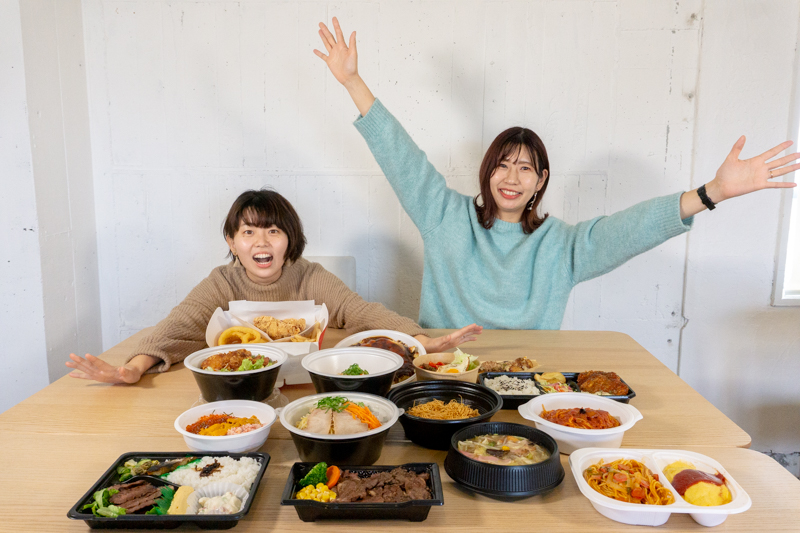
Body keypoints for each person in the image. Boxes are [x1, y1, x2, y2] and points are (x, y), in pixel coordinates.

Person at [314, 17, 800, 329]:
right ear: (487, 173)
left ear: (540, 181)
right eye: (502, 164)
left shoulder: (560, 246)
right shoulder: (445, 218)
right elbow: (401, 157)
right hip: (446, 376)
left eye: (525, 168)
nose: (511, 177)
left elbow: (630, 230)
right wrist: (353, 81)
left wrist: (712, 192)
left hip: (527, 384)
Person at [66, 189, 482, 384]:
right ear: (232, 241)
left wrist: (423, 341)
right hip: (241, 389)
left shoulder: (310, 275)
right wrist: (132, 369)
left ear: (290, 239)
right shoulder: (222, 282)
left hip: (308, 386)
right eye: (248, 232)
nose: (261, 242)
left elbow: (361, 312)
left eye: (273, 231)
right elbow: (177, 326)